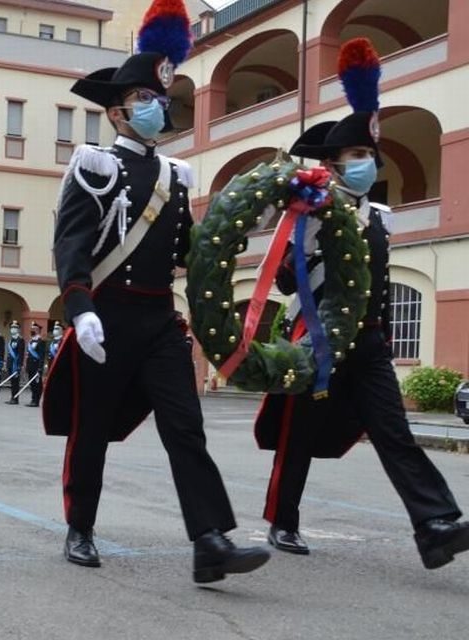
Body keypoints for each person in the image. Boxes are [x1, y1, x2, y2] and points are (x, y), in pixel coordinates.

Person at [43, 0, 269, 582]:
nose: (155, 108)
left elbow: (187, 253)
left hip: (160, 324)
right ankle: (80, 527)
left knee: (185, 428)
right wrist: (79, 308)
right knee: (90, 427)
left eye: (159, 99)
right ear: (118, 113)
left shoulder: (175, 176)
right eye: (144, 100)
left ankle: (209, 541)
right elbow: (71, 244)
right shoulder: (95, 166)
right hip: (107, 318)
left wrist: (235, 239)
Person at [255, 38, 469, 569]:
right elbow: (285, 282)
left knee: (395, 431)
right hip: (323, 335)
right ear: (331, 163)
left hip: (370, 340)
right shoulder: (310, 209)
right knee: (296, 432)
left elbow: (382, 281)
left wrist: (387, 340)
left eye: (370, 156)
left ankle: (435, 524)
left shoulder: (382, 216)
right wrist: (302, 232)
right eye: (356, 156)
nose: (366, 164)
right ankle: (283, 520)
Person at [24, 322, 47, 408]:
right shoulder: (31, 341)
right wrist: (26, 365)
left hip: (36, 366)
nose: (32, 330)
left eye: (34, 329)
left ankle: (36, 400)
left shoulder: (41, 341)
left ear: (38, 330)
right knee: (32, 383)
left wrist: (40, 368)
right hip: (30, 365)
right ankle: (33, 399)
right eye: (32, 329)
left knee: (37, 384)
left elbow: (41, 356)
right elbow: (27, 355)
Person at [5, 320, 24, 405]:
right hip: (10, 363)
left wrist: (19, 365)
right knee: (12, 382)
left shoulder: (20, 340)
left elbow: (20, 354)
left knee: (15, 382)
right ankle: (12, 397)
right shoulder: (11, 339)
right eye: (12, 327)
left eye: (15, 327)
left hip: (15, 364)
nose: (13, 329)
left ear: (18, 329)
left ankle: (15, 399)